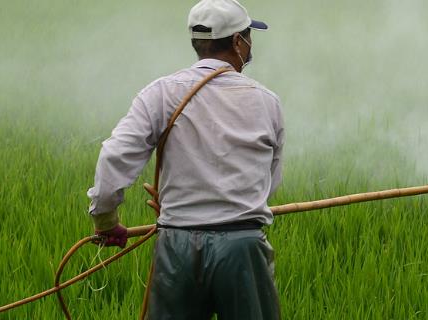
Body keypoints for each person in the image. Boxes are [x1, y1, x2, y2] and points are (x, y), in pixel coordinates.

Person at [86, 0, 283, 318]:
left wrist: (106, 221)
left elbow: (115, 155)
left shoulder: (160, 93)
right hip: (243, 247)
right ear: (237, 41)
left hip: (177, 246)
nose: (249, 45)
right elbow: (270, 183)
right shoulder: (266, 101)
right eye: (248, 36)